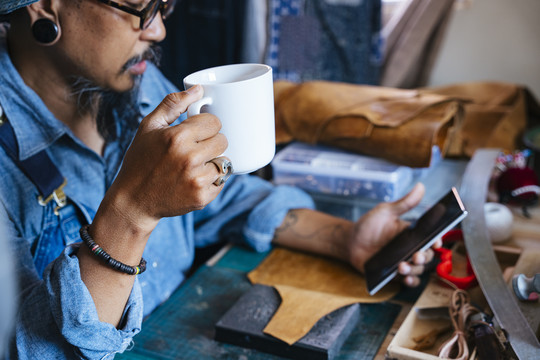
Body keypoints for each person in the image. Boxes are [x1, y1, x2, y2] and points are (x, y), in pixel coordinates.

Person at [0, 0, 439, 358]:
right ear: (44, 8)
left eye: (163, 7)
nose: (157, 32)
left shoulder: (142, 84)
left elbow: (221, 196)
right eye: (138, 7)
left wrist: (344, 238)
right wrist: (131, 213)